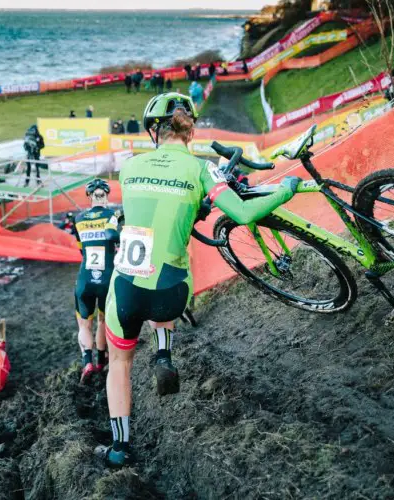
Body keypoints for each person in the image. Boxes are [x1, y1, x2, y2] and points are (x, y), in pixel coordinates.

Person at [96, 93, 299, 467]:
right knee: (169, 271)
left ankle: (119, 448)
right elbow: (242, 212)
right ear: (189, 131)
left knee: (119, 364)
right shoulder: (202, 169)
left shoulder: (128, 166)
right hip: (171, 294)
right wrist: (286, 189)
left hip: (126, 290)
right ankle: (163, 350)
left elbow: (151, 207)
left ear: (154, 130)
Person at [72, 179, 119, 384]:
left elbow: (81, 248)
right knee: (102, 321)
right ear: (106, 195)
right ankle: (101, 361)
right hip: (107, 276)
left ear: (89, 196)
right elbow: (116, 241)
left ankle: (87, 362)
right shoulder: (113, 216)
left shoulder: (79, 218)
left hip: (85, 277)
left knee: (84, 324)